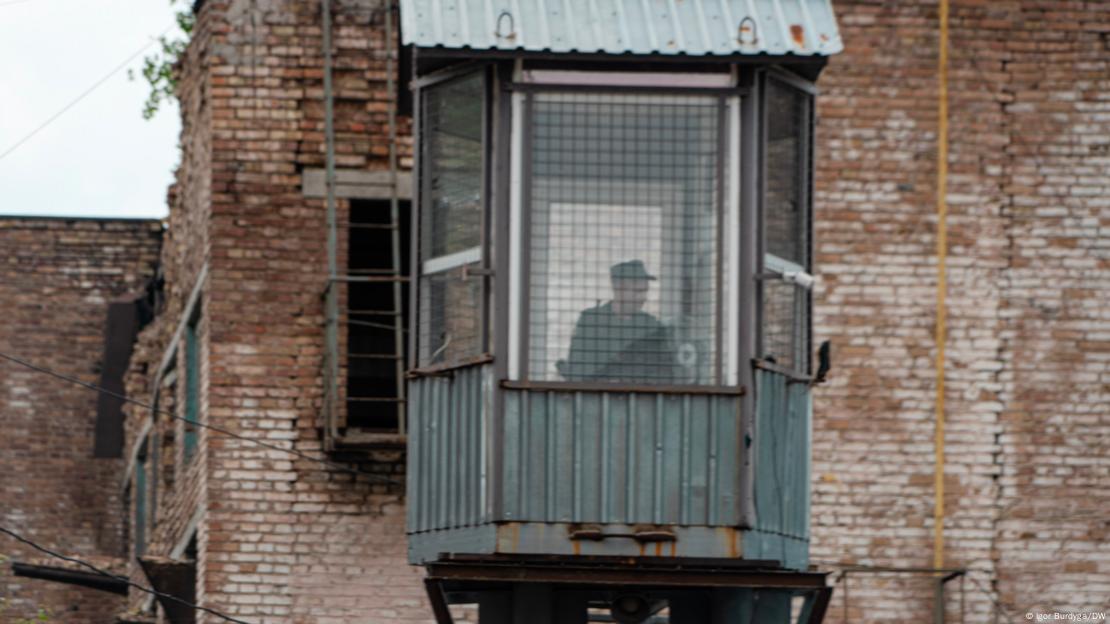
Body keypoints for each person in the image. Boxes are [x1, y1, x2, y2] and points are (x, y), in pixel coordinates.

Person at [557, 260, 679, 384]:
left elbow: (664, 372)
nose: (643, 298)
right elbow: (578, 368)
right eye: (637, 291)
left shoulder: (651, 325)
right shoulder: (591, 320)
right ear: (618, 288)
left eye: (645, 291)